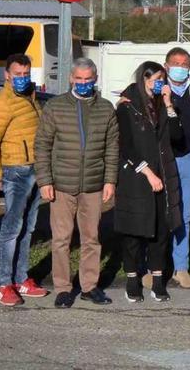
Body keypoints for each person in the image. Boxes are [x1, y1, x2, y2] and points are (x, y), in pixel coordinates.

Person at [34, 58, 119, 309]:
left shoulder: (105, 108)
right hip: (61, 184)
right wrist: (45, 180)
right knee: (61, 239)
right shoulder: (55, 106)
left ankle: (89, 286)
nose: (83, 83)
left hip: (93, 184)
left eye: (88, 79)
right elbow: (42, 146)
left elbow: (112, 148)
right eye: (79, 79)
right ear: (71, 78)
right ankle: (62, 287)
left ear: (95, 80)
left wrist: (110, 180)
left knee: (91, 238)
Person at [0, 54, 48, 306]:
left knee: (28, 228)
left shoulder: (30, 96)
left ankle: (21, 278)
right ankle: (2, 283)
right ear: (7, 75)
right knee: (11, 229)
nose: (22, 78)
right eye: (17, 74)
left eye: (26, 74)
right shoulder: (1, 103)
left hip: (35, 168)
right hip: (15, 170)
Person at [115, 62, 184, 303]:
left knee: (160, 231)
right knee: (134, 232)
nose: (159, 83)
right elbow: (126, 146)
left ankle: (157, 280)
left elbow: (177, 136)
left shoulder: (161, 105)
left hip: (163, 173)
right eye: (155, 79)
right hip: (136, 176)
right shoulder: (127, 106)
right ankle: (132, 279)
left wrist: (168, 104)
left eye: (161, 79)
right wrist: (148, 173)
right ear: (143, 78)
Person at [164, 47, 190, 290]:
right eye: (175, 62)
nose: (180, 67)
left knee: (184, 216)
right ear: (166, 65)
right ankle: (154, 267)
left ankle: (181, 267)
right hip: (162, 160)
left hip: (186, 158)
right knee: (159, 213)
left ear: (189, 67)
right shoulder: (158, 88)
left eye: (184, 63)